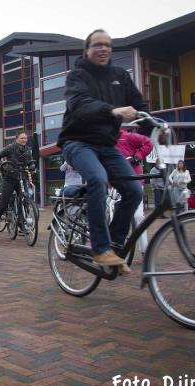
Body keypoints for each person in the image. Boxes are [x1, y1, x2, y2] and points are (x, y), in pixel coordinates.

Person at [56, 29, 147, 273]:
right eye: (97, 45)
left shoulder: (120, 76)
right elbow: (79, 104)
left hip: (107, 145)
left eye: (107, 45)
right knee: (98, 179)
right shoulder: (78, 75)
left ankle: (114, 247)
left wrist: (157, 125)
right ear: (87, 50)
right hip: (77, 141)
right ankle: (100, 248)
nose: (103, 48)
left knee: (133, 190)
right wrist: (113, 111)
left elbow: (140, 107)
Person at [116, 128, 153, 256]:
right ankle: (117, 250)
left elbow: (149, 143)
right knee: (115, 217)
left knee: (138, 216)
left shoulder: (128, 136)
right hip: (114, 185)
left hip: (134, 182)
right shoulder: (106, 140)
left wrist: (137, 156)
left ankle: (145, 249)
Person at [0, 130, 33, 237]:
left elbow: (30, 161)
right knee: (3, 204)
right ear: (16, 138)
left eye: (25, 138)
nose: (24, 140)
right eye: (22, 138)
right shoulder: (10, 147)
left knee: (25, 201)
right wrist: (2, 166)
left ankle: (22, 224)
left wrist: (32, 166)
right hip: (9, 178)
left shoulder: (28, 150)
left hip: (21, 178)